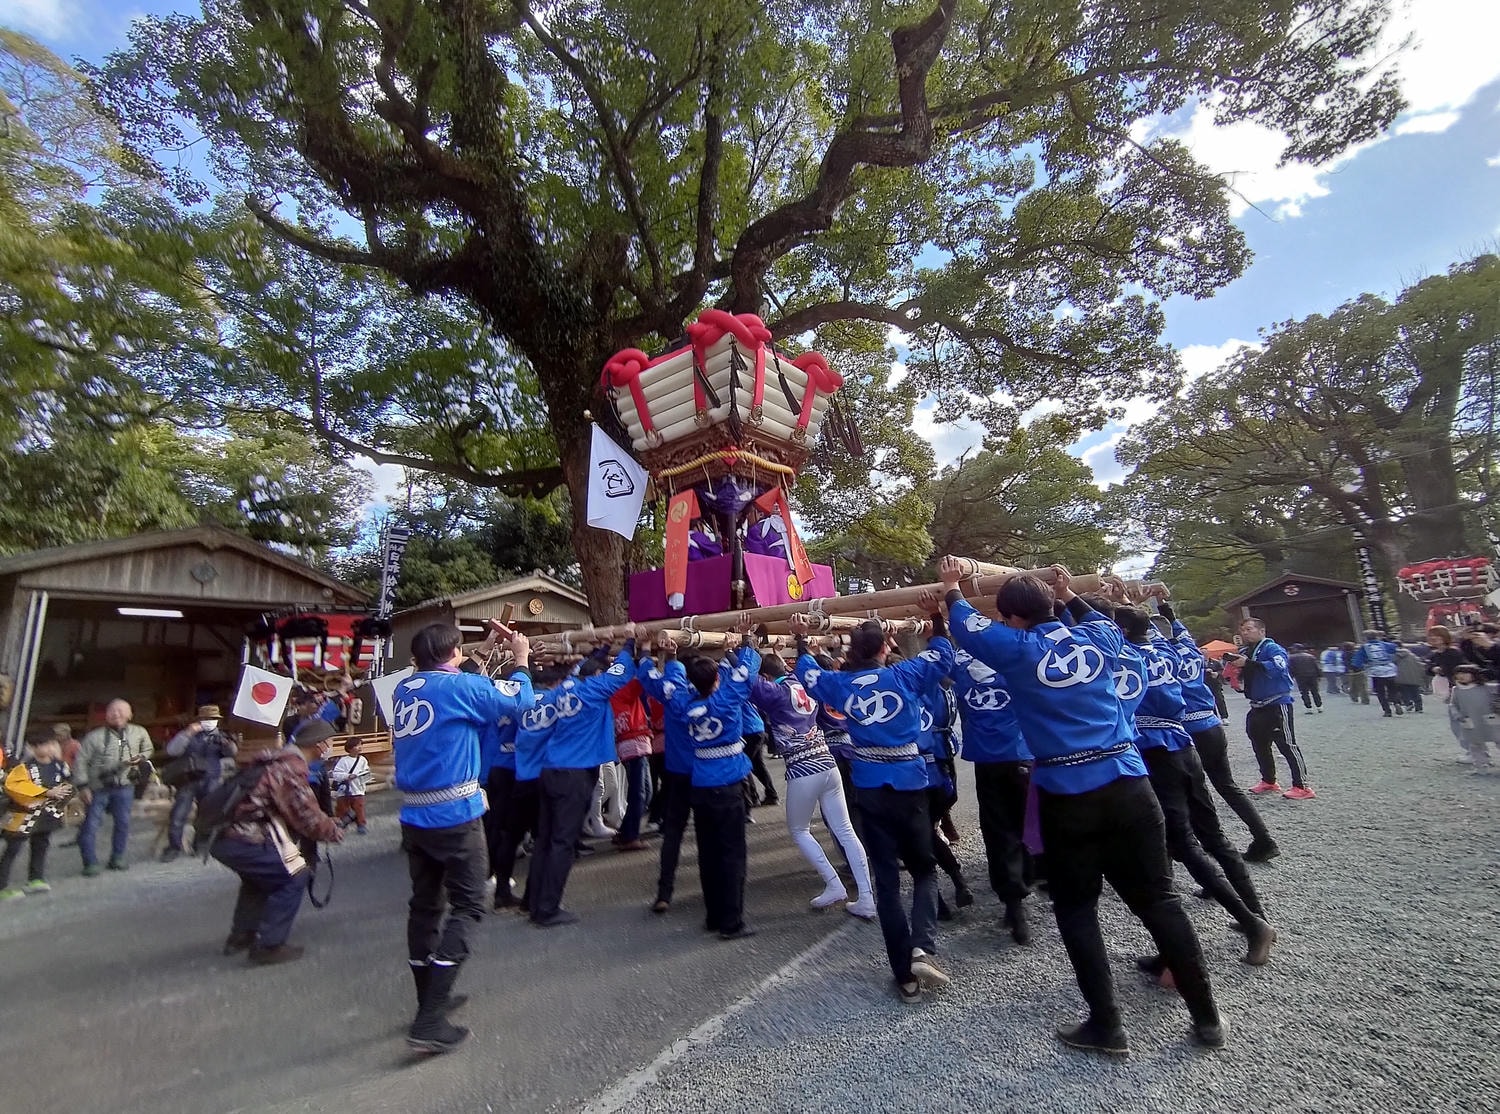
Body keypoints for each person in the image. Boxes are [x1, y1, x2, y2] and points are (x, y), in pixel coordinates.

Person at [940, 558, 1224, 1053]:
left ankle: (1107, 1025)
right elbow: (1094, 617)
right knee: (1160, 900)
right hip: (1130, 784)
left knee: (1076, 908)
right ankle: (1207, 1017)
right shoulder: (1101, 638)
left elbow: (965, 623)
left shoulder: (1017, 647)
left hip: (1068, 792)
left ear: (1014, 617)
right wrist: (1068, 594)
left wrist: (951, 588)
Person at [791, 609, 954, 1004]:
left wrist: (800, 641)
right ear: (886, 647)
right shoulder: (904, 674)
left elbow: (808, 675)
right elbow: (944, 657)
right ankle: (923, 948)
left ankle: (904, 977)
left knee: (887, 884)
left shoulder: (840, 684)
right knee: (923, 871)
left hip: (869, 786)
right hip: (911, 784)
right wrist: (937, 621)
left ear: (852, 650)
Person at [393, 619, 532, 1053]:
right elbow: (520, 701)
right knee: (470, 905)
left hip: (414, 816)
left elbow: (459, 682)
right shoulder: (458, 689)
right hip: (454, 815)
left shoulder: (407, 687)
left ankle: (429, 997)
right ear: (452, 654)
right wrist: (521, 659)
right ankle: (430, 1018)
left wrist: (482, 652)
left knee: (426, 905)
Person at [1112, 606, 1276, 969]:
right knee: (1207, 834)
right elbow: (1175, 632)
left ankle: (1238, 929)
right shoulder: (1171, 649)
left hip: (1159, 751)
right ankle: (1251, 912)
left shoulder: (1123, 658)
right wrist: (1161, 610)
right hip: (1187, 741)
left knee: (1177, 843)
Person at [650, 619, 760, 940]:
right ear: (716, 678)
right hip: (727, 784)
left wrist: (669, 658)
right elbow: (747, 673)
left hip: (700, 783)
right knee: (732, 853)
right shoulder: (725, 701)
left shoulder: (684, 704)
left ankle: (714, 915)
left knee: (709, 852)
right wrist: (743, 641)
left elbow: (669, 686)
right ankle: (731, 922)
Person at [749, 647, 875, 919]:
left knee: (799, 830)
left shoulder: (775, 692)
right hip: (827, 760)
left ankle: (833, 883)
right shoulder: (799, 682)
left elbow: (748, 679)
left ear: (767, 676)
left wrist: (744, 645)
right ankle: (866, 895)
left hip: (802, 767)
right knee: (845, 830)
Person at [527, 635, 636, 929]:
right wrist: (629, 645)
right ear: (598, 675)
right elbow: (622, 671)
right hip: (573, 774)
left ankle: (534, 901)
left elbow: (587, 669)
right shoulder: (594, 689)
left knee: (546, 840)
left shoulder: (567, 686)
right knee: (563, 842)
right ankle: (548, 909)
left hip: (551, 769)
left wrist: (600, 651)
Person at [1157, 602, 1278, 862]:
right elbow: (1176, 627)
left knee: (1196, 795)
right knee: (1227, 785)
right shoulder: (1190, 649)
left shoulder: (1161, 655)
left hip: (1187, 730)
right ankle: (1263, 837)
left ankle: (1214, 859)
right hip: (1210, 724)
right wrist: (1164, 606)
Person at [210, 735, 342, 965]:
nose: (329, 748)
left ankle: (242, 935)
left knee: (260, 877)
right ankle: (269, 945)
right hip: (243, 836)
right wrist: (331, 830)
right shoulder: (289, 769)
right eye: (329, 742)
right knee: (294, 875)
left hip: (221, 836)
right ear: (319, 744)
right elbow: (305, 814)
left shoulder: (269, 762)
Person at [950, 644, 1034, 943]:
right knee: (1027, 825)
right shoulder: (1015, 667)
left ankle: (1014, 904)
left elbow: (940, 654)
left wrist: (936, 620)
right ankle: (1031, 877)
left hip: (987, 762)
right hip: (1021, 755)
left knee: (999, 833)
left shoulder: (962, 672)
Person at [1225, 619, 1314, 800]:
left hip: (1277, 703)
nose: (1245, 633)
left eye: (1249, 629)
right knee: (1259, 744)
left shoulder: (1272, 648)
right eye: (1243, 630)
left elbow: (1278, 668)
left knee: (1287, 744)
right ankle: (1269, 780)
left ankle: (1302, 785)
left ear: (1262, 631)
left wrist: (1249, 664)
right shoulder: (1247, 651)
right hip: (1257, 705)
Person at [637, 642, 694, 916]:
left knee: (673, 835)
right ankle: (716, 889)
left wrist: (651, 653)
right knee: (712, 835)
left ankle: (665, 892)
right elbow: (742, 675)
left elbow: (647, 678)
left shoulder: (674, 697)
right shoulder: (720, 696)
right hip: (710, 775)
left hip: (678, 773)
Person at [73, 699, 153, 875]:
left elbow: (148, 749)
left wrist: (140, 757)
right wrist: (83, 785)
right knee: (91, 825)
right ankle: (90, 862)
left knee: (123, 823)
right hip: (97, 786)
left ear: (130, 714)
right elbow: (80, 761)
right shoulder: (94, 736)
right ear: (106, 715)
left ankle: (118, 856)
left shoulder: (139, 732)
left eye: (121, 710)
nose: (116, 714)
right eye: (112, 711)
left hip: (125, 786)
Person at [1, 730, 73, 899]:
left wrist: (63, 800)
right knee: (13, 849)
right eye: (45, 745)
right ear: (34, 748)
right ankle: (1, 886)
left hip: (47, 813)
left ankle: (35, 878)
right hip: (23, 814)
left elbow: (70, 782)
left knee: (41, 845)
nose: (50, 748)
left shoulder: (60, 765)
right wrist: (47, 793)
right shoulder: (24, 768)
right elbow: (15, 788)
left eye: (52, 744)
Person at [161, 705, 238, 862]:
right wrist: (188, 733)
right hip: (188, 780)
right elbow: (172, 751)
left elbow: (232, 755)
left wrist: (228, 744)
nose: (210, 722)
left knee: (207, 815)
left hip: (211, 779)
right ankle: (173, 847)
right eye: (207, 719)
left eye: (213, 719)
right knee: (178, 815)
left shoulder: (222, 736)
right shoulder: (188, 734)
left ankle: (200, 844)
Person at [610, 679, 652, 852]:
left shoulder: (612, 692)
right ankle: (630, 836)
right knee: (641, 793)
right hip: (634, 743)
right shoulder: (624, 689)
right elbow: (644, 678)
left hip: (627, 744)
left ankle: (626, 831)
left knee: (639, 792)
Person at [1449, 664, 1497, 771]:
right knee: (1475, 744)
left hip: (1490, 718)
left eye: (1465, 673)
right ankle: (1481, 766)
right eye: (1458, 673)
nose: (1461, 676)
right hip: (1469, 720)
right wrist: (1457, 715)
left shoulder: (1486, 688)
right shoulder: (1456, 690)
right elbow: (1453, 704)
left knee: (1498, 738)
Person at [1352, 630, 1402, 717]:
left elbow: (1357, 661)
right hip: (1390, 670)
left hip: (1376, 672)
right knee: (1392, 689)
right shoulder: (1384, 644)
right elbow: (1394, 648)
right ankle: (1397, 703)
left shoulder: (1364, 647)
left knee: (1380, 692)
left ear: (1365, 638)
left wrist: (1358, 667)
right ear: (1377, 636)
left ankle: (1387, 711)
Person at [329, 738, 372, 833]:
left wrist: (362, 776)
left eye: (361, 745)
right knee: (342, 807)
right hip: (344, 789)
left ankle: (361, 824)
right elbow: (336, 774)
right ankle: (341, 824)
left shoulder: (363, 760)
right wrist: (347, 776)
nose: (359, 747)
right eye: (357, 745)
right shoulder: (343, 760)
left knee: (359, 807)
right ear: (350, 748)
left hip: (358, 789)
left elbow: (367, 772)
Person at [1288, 645, 1323, 713]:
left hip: (1300, 677)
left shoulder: (1292, 658)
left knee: (1304, 692)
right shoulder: (1310, 656)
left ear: (1296, 649)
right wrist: (1319, 675)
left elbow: (1291, 669)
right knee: (1315, 691)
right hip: (1312, 676)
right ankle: (1319, 706)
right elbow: (1316, 667)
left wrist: (1291, 677)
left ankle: (1309, 708)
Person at [1393, 646, 1426, 714]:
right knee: (1416, 693)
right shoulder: (1413, 656)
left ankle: (1408, 704)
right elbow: (1420, 666)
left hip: (1401, 677)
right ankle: (1419, 707)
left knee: (1404, 692)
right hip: (1414, 677)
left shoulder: (1396, 657)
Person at [1343, 641, 1370, 705]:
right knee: (1362, 686)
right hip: (1359, 671)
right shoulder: (1356, 653)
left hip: (1349, 672)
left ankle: (1354, 698)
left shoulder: (1344, 654)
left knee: (1352, 686)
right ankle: (1365, 700)